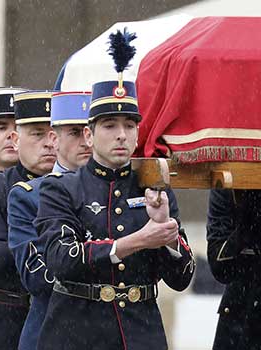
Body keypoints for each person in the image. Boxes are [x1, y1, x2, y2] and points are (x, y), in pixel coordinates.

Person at [34, 33, 195, 348]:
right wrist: (135, 242)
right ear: (89, 135)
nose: (121, 135)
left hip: (140, 333)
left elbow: (182, 278)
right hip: (78, 332)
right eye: (109, 125)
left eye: (129, 125)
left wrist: (167, 234)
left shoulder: (154, 187)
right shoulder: (62, 188)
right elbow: (60, 259)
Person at [0, 88, 57, 350]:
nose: (49, 143)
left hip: (68, 320)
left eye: (54, 133)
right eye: (38, 134)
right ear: (17, 140)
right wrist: (58, 246)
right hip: (8, 322)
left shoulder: (79, 187)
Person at [7, 91, 91, 350]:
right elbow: (38, 278)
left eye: (91, 131)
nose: (86, 142)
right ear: (55, 139)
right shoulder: (27, 196)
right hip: (52, 331)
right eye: (75, 133)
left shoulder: (119, 193)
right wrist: (106, 256)